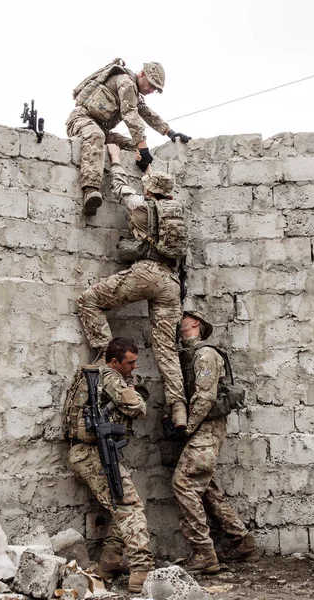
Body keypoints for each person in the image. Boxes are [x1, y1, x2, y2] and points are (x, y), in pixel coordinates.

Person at [77, 143, 188, 430]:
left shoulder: (140, 206)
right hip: (170, 283)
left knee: (89, 300)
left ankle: (105, 356)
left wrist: (115, 159)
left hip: (145, 273)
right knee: (167, 350)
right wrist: (148, 167)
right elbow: (159, 190)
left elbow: (120, 188)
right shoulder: (177, 209)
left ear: (150, 192)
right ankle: (178, 407)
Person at [173, 310, 260, 574]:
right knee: (206, 486)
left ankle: (203, 554)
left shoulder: (205, 354)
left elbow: (205, 397)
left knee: (183, 483)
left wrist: (188, 426)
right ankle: (242, 541)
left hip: (206, 426)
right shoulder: (191, 354)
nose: (177, 323)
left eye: (182, 320)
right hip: (205, 427)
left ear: (196, 323)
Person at [67, 337, 154, 594]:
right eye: (130, 363)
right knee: (129, 505)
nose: (134, 367)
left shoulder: (89, 374)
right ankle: (141, 570)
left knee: (121, 504)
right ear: (114, 361)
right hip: (94, 452)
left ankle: (109, 562)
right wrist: (133, 391)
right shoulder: (111, 377)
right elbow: (138, 408)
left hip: (86, 450)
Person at [66, 58, 190, 215]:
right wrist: (143, 146)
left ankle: (149, 186)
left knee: (133, 147)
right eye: (152, 85)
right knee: (96, 136)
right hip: (82, 119)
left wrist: (170, 132)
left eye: (155, 89)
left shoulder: (135, 93)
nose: (152, 90)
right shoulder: (126, 82)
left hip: (103, 130)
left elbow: (146, 113)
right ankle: (91, 190)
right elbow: (130, 114)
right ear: (142, 74)